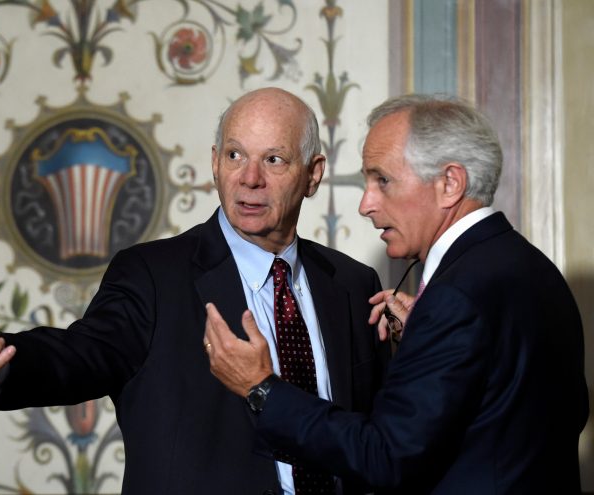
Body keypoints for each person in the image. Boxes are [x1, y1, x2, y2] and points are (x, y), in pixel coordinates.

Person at [0, 87, 390, 495]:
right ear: (214, 162)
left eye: (274, 159)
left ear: (312, 175)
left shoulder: (352, 283)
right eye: (234, 156)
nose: (250, 178)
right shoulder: (153, 274)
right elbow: (81, 354)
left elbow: (381, 435)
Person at [204, 94, 589, 494]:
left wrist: (263, 387)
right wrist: (427, 341)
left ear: (450, 183)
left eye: (382, 180)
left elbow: (385, 456)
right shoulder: (534, 269)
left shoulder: (455, 297)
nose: (366, 204)